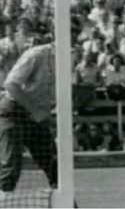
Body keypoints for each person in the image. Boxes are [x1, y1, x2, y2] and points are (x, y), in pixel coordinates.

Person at [0, 18, 81, 192]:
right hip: (13, 112)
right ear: (54, 34)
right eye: (69, 31)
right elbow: (10, 84)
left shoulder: (71, 58)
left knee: (54, 165)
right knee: (11, 166)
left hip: (37, 116)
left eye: (75, 32)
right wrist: (36, 111)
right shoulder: (36, 54)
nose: (73, 35)